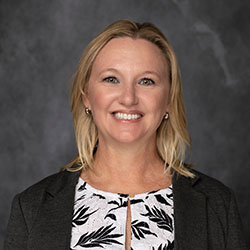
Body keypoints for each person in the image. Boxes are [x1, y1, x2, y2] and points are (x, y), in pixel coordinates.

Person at [3, 19, 247, 250]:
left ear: (169, 100)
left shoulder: (217, 204)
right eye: (111, 79)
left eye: (146, 81)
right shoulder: (32, 207)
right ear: (86, 95)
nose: (128, 98)